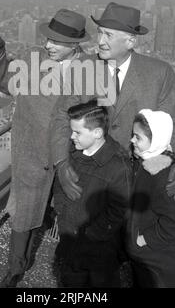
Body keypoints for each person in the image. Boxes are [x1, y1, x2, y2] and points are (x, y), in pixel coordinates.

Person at [50, 2, 175, 243]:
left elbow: (174, 127)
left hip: (140, 179)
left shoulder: (160, 74)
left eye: (109, 35)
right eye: (100, 33)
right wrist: (61, 164)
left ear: (130, 41)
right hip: (92, 179)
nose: (101, 41)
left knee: (142, 252)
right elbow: (61, 119)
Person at [0, 9, 92, 287]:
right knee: (23, 212)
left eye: (57, 42)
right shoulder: (32, 58)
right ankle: (16, 267)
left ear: (75, 45)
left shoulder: (91, 69)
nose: (48, 45)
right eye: (48, 39)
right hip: (31, 151)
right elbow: (2, 80)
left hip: (68, 155)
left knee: (71, 212)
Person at [54, 100, 130, 287]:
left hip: (99, 254)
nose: (72, 137)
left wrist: (92, 234)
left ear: (97, 133)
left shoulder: (118, 167)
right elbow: (60, 188)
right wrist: (63, 216)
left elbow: (120, 210)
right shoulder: (73, 154)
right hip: (70, 244)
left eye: (77, 132)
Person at [126, 109, 175, 288]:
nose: (132, 141)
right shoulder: (149, 160)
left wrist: (143, 239)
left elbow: (173, 224)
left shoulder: (160, 177)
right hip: (146, 259)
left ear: (155, 141)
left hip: (159, 266)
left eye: (138, 137)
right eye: (132, 135)